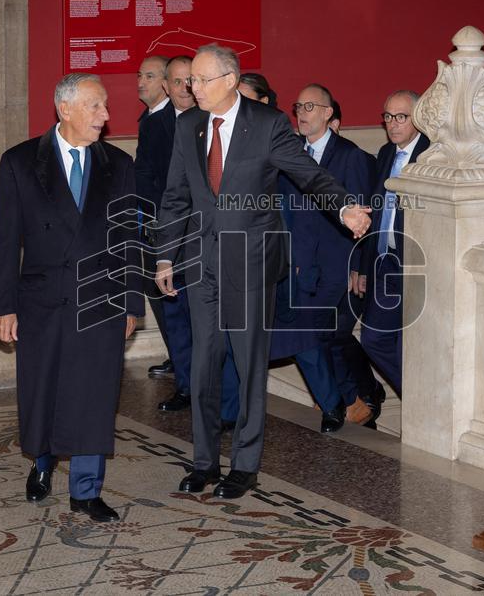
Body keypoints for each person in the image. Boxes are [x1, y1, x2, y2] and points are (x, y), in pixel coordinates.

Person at [155, 44, 371, 499]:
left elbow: (309, 174)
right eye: (190, 79)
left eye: (201, 79)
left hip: (250, 262)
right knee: (203, 363)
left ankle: (246, 466)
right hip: (200, 261)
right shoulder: (189, 125)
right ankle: (204, 461)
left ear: (230, 81)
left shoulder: (268, 124)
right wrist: (165, 254)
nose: (192, 87)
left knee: (250, 364)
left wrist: (346, 206)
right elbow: (176, 194)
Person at [0, 73, 143, 522]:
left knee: (94, 394)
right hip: (42, 299)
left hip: (101, 298)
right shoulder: (19, 162)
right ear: (66, 110)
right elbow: (5, 240)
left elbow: (129, 240)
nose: (106, 116)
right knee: (44, 389)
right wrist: (4, 305)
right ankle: (41, 464)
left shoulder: (120, 165)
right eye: (96, 107)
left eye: (105, 107)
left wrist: (132, 302)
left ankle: (86, 489)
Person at [292, 84, 376, 427]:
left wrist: (357, 267)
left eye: (310, 106)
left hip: (335, 263)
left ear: (328, 113)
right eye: (298, 106)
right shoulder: (293, 153)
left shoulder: (350, 156)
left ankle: (345, 401)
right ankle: (343, 398)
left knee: (316, 332)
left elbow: (361, 218)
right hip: (300, 262)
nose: (302, 112)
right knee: (319, 334)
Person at [359, 90, 430, 398]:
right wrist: (363, 266)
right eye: (388, 116)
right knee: (373, 339)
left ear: (418, 118)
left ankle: (421, 408)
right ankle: (418, 399)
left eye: (401, 116)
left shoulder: (432, 156)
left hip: (416, 264)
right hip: (384, 261)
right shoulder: (387, 153)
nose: (392, 123)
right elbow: (374, 212)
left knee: (410, 344)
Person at [136, 56, 196, 411]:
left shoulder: (211, 122)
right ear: (167, 87)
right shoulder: (153, 125)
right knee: (174, 315)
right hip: (167, 234)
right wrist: (164, 214)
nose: (183, 88)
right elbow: (142, 174)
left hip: (205, 235)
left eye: (190, 80)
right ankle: (186, 387)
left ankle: (211, 390)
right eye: (176, 82)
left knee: (204, 318)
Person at [136, 55, 175, 378]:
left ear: (164, 84)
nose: (141, 81)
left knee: (166, 294)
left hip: (162, 223)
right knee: (156, 293)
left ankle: (181, 360)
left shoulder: (166, 122)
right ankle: (176, 356)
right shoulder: (149, 118)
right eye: (140, 75)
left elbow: (165, 180)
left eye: (149, 76)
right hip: (149, 221)